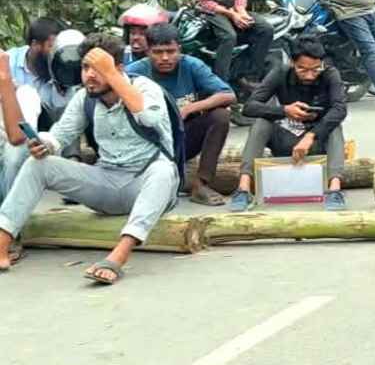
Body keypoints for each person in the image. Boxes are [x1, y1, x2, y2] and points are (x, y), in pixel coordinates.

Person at [0, 34, 178, 283]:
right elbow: (60, 136)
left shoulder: (146, 88)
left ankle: (118, 256)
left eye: (99, 68)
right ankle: (3, 242)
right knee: (39, 165)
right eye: (85, 68)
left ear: (119, 68)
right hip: (106, 183)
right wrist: (43, 145)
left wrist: (113, 76)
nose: (90, 76)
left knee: (164, 170)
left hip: (146, 184)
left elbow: (148, 118)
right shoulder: (85, 98)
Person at [230, 35, 349, 212]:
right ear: (293, 63)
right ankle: (244, 188)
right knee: (261, 123)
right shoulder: (280, 72)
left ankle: (334, 189)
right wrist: (284, 110)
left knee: (334, 127)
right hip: (285, 137)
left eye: (315, 69)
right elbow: (249, 107)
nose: (309, 75)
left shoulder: (330, 74)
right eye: (303, 69)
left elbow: (340, 109)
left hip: (316, 142)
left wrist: (311, 135)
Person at [126, 24, 233, 206]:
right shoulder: (134, 72)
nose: (165, 58)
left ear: (179, 50)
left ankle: (201, 185)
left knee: (220, 116)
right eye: (158, 52)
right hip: (149, 144)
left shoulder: (192, 65)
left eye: (171, 51)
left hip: (182, 139)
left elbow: (228, 95)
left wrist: (189, 108)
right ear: (147, 51)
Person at [0, 51, 42, 200]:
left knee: (16, 151)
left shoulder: (26, 94)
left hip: (11, 155)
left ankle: (9, 211)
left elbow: (20, 136)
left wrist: (5, 84)